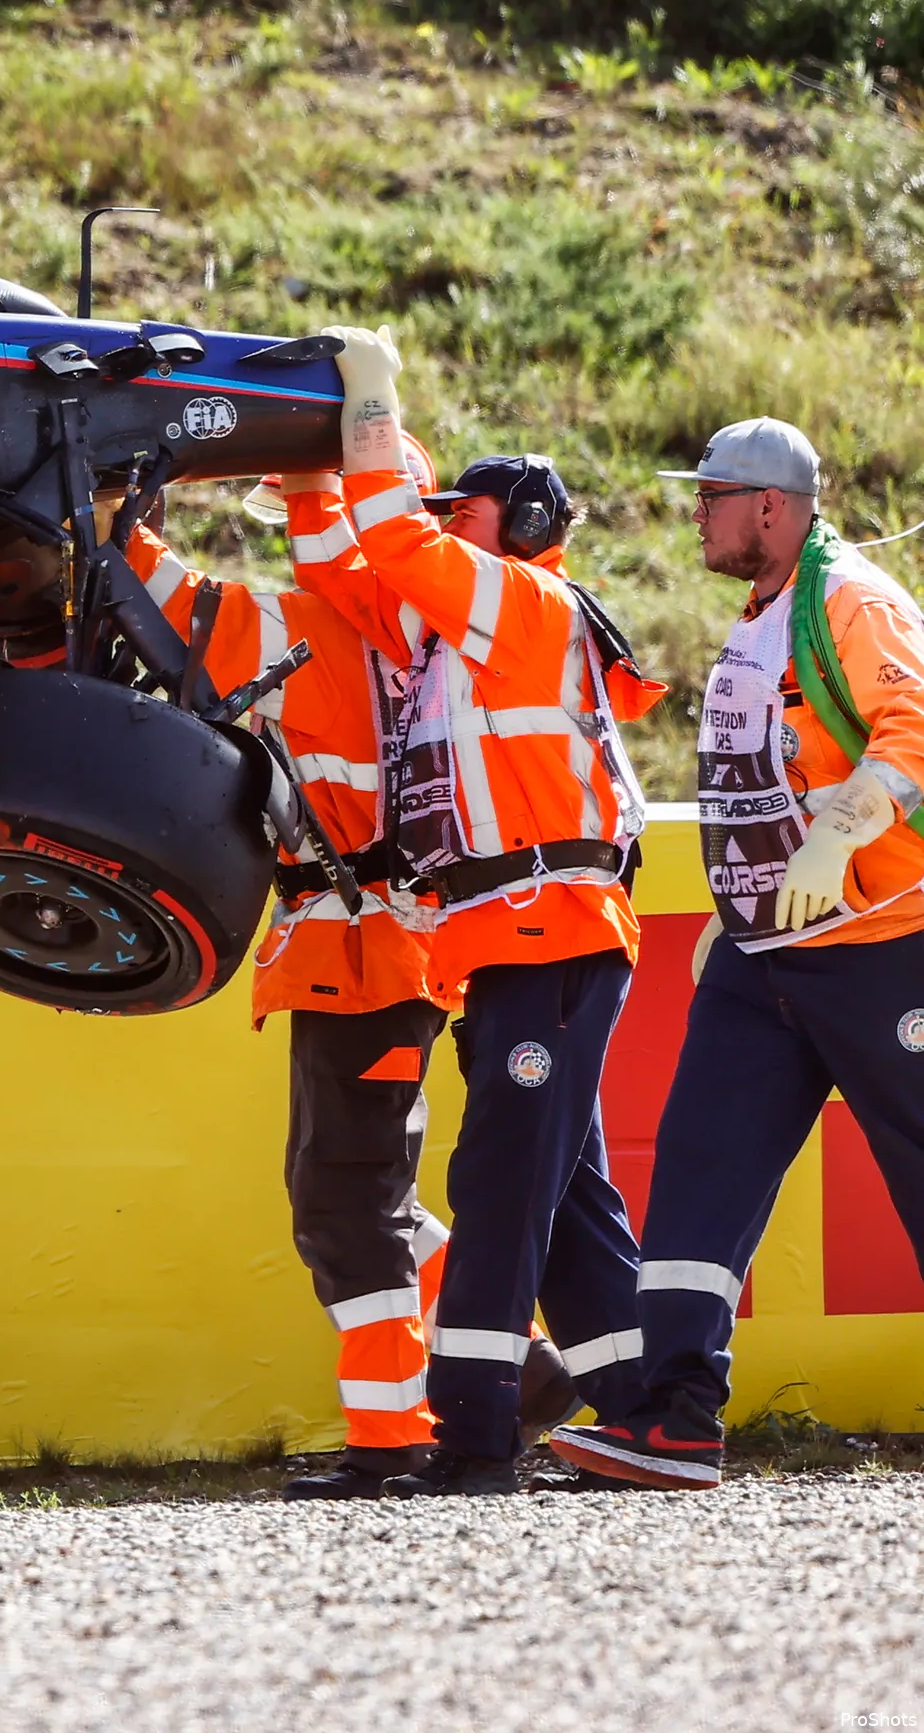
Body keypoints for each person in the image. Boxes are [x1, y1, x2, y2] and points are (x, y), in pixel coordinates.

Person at [312, 328, 666, 1494]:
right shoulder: (468, 632)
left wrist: (372, 399)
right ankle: (652, 1411)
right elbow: (352, 573)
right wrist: (304, 474)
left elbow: (393, 540)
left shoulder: (519, 603)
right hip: (519, 941)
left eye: (465, 512)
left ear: (515, 531)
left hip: (546, 934)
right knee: (568, 1201)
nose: (444, 524)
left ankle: (470, 1435)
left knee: (504, 1186)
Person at [551, 419, 924, 1490]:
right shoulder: (764, 617)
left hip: (885, 945)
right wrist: (747, 895)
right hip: (765, 954)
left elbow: (915, 725)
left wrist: (838, 834)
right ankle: (675, 1418)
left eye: (712, 495)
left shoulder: (850, 599)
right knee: (701, 1173)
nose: (697, 513)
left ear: (773, 506)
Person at [120, 450, 471, 1496]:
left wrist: (107, 502)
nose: (292, 532)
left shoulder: (305, 628)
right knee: (380, 1196)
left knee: (345, 1205)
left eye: (301, 512)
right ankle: (522, 1366)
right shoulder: (427, 637)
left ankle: (392, 1437)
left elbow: (155, 592)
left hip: (358, 952)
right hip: (392, 951)